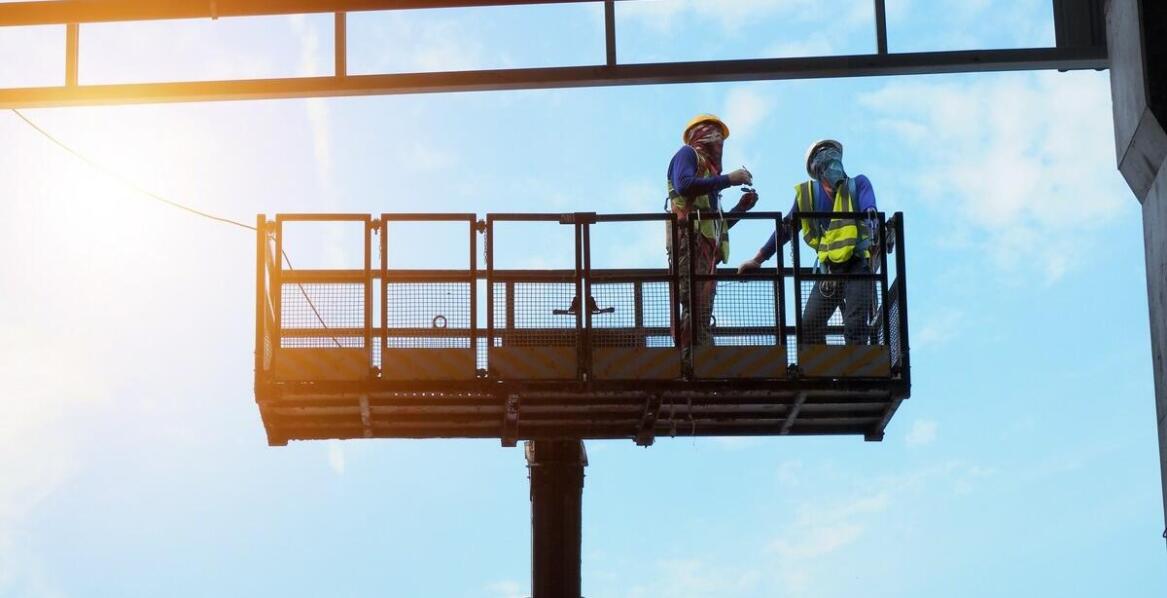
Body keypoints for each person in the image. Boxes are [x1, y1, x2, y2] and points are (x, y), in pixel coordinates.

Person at [738, 139, 877, 345]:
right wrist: (758, 259)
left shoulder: (858, 185)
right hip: (829, 271)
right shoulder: (808, 195)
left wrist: (871, 219)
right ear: (816, 169)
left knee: (855, 325)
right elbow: (786, 229)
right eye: (823, 158)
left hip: (857, 267)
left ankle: (856, 373)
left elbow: (869, 208)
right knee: (809, 326)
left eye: (832, 155)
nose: (831, 162)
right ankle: (818, 372)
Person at [667, 113, 758, 355]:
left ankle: (702, 359)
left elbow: (716, 225)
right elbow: (683, 184)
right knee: (692, 304)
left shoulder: (710, 177)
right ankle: (688, 364)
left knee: (702, 310)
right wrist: (729, 179)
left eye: (721, 136)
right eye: (714, 133)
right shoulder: (687, 155)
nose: (718, 140)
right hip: (689, 241)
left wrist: (741, 208)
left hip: (705, 250)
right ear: (699, 134)